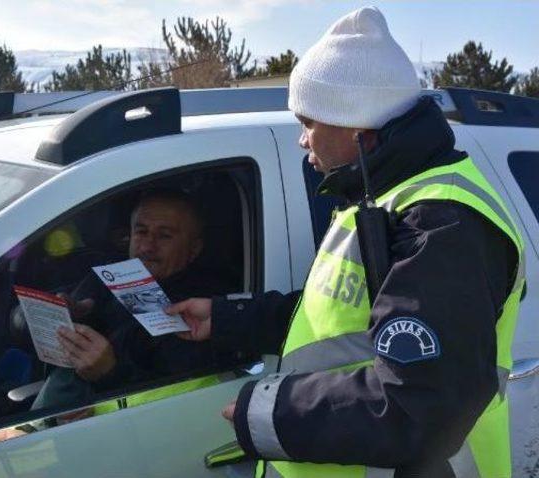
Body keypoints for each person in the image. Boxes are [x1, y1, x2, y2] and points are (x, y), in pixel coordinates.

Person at [167, 6, 525, 478]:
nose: (301, 140)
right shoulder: (381, 197)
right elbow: (343, 321)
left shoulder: (442, 222)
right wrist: (228, 319)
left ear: (357, 128)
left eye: (307, 122)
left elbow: (418, 401)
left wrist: (271, 413)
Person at [30, 189, 234, 410]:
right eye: (141, 231)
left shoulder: (203, 312)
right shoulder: (110, 274)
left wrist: (110, 373)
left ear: (194, 249)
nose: (147, 246)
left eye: (165, 235)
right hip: (57, 403)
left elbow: (175, 398)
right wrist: (76, 314)